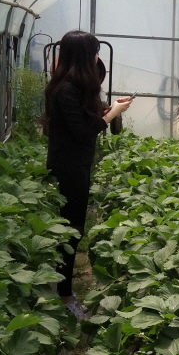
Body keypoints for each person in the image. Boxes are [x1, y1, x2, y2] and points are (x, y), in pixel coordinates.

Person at [43, 30, 133, 316]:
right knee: (72, 230)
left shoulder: (71, 87)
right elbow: (82, 132)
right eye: (94, 53)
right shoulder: (65, 90)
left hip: (76, 163)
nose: (97, 59)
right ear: (84, 56)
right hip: (68, 166)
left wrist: (108, 109)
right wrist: (111, 114)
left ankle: (62, 287)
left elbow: (81, 121)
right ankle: (65, 295)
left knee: (73, 228)